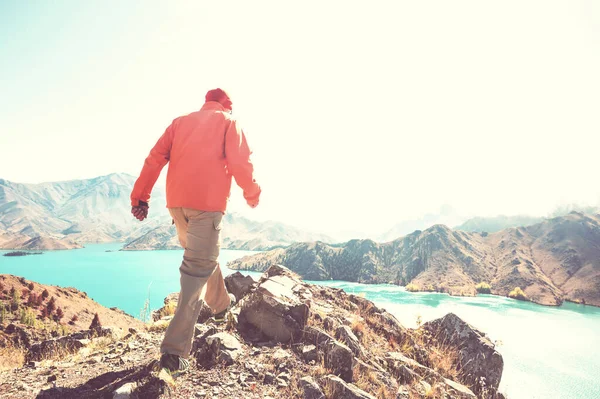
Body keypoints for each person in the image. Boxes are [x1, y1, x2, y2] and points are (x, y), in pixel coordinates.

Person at [130, 88, 261, 374]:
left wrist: (140, 195)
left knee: (201, 259)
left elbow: (154, 158)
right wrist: (252, 193)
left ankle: (222, 306)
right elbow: (240, 163)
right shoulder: (228, 122)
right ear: (227, 106)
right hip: (206, 208)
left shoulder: (180, 123)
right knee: (195, 273)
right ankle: (174, 354)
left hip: (177, 207)